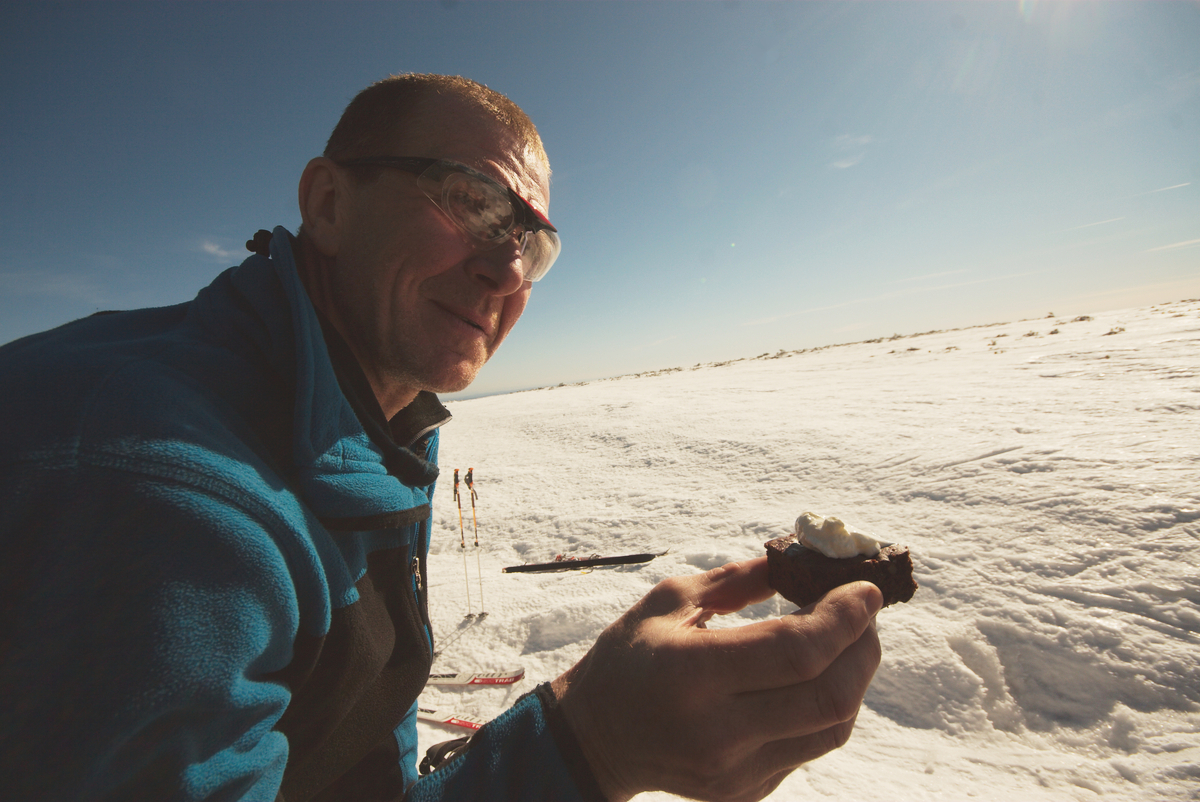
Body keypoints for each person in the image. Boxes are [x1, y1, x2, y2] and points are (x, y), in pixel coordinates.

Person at [0, 74, 882, 801]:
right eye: (472, 201)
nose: (504, 270)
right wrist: (589, 748)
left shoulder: (374, 425)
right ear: (329, 203)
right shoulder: (163, 493)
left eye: (533, 245)